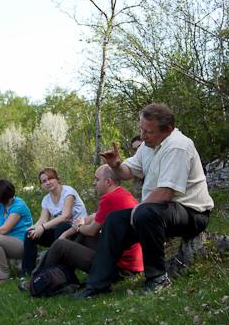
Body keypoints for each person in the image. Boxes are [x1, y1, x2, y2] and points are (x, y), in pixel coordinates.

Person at [72, 103, 214, 298]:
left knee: (145, 212)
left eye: (148, 131)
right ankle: (97, 286)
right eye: (142, 129)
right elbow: (127, 172)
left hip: (193, 213)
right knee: (114, 219)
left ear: (167, 130)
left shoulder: (178, 146)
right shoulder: (149, 146)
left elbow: (165, 193)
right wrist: (115, 166)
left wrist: (137, 210)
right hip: (162, 210)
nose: (143, 135)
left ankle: (158, 278)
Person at [20, 165, 143, 292]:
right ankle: (61, 275)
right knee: (75, 237)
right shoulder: (123, 195)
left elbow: (91, 230)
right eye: (43, 181)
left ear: (108, 182)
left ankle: (36, 280)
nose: (94, 183)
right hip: (128, 263)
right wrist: (67, 233)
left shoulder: (108, 198)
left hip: (119, 268)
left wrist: (78, 226)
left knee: (61, 245)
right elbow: (93, 217)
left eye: (97, 179)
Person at [21, 167, 87, 277]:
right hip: (59, 234)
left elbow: (65, 216)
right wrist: (34, 228)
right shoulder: (46, 200)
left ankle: (58, 269)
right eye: (44, 181)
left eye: (50, 179)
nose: (48, 183)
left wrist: (42, 227)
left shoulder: (68, 192)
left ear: (58, 179)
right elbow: (43, 220)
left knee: (62, 225)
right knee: (29, 234)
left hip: (77, 231)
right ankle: (27, 273)